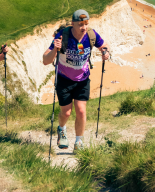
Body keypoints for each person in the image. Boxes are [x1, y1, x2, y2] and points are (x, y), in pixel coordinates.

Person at [43, 10, 109, 153]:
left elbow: (103, 45)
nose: (83, 27)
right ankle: (62, 130)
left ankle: (79, 142)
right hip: (64, 79)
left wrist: (106, 52)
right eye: (80, 24)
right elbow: (45, 60)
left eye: (86, 24)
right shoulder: (63, 35)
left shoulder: (91, 34)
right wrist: (55, 48)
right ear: (72, 24)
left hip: (83, 79)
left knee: (81, 110)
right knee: (66, 113)